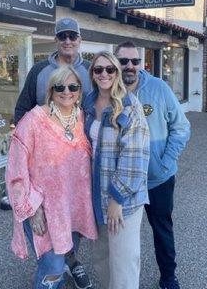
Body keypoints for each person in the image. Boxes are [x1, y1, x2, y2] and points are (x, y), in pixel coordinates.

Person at [2, 17, 93, 289]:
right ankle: (59, 268)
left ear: (79, 39)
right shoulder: (39, 72)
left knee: (69, 240)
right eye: (62, 35)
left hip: (75, 191)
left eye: (72, 36)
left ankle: (72, 262)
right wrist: (32, 142)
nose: (67, 40)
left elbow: (109, 100)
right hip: (44, 191)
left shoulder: (90, 72)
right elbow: (21, 111)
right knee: (51, 261)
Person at [115, 41, 191, 289]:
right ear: (116, 63)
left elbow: (181, 128)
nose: (129, 66)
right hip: (124, 184)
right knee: (123, 236)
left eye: (134, 61)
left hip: (158, 180)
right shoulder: (109, 91)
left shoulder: (159, 88)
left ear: (141, 63)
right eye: (123, 61)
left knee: (162, 230)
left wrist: (165, 162)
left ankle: (168, 277)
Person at [83, 51, 150, 289]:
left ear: (117, 73)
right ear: (92, 74)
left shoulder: (130, 106)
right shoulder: (88, 104)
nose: (104, 74)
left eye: (110, 69)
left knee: (123, 265)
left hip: (123, 202)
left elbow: (135, 156)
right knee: (101, 260)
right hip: (95, 198)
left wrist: (117, 199)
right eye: (98, 69)